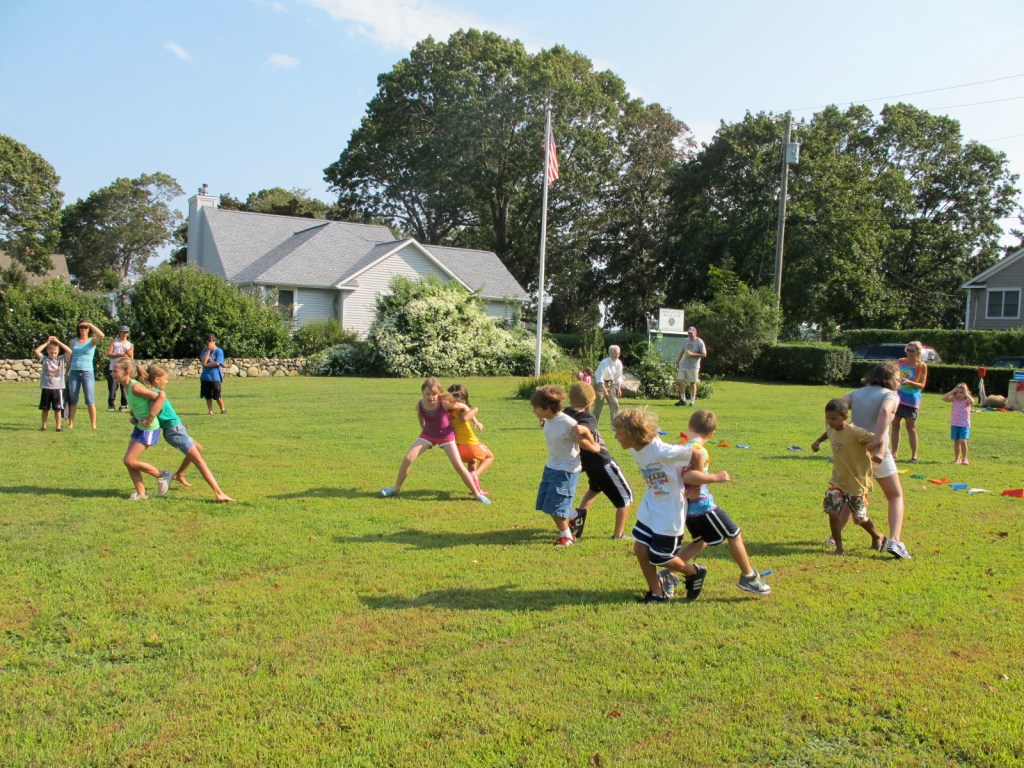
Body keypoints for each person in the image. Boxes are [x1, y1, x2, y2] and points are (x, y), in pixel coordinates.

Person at [666, 409, 771, 597]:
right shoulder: (699, 450)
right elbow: (690, 477)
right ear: (711, 434)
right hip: (702, 507)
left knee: (700, 541)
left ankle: (668, 574)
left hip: (685, 506)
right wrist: (716, 477)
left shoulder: (678, 444)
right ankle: (748, 576)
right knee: (734, 533)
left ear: (689, 425)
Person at [612, 408, 703, 603]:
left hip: (670, 510)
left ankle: (694, 572)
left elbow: (696, 452)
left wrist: (697, 485)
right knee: (640, 549)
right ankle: (657, 593)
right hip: (651, 506)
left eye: (619, 432)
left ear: (632, 433)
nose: (616, 437)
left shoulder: (661, 451)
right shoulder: (636, 448)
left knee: (660, 557)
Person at [838, 361, 912, 560]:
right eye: (898, 379)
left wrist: (840, 434)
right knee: (895, 495)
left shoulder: (857, 393)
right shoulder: (891, 396)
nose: (900, 383)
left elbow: (836, 405)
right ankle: (895, 540)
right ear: (891, 379)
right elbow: (885, 411)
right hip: (877, 452)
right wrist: (878, 439)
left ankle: (833, 537)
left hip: (855, 453)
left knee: (851, 494)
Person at [380, 378, 490, 503]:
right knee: (408, 458)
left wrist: (475, 420)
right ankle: (396, 488)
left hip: (446, 436)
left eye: (434, 394)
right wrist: (424, 429)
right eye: (428, 394)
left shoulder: (444, 403)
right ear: (422, 393)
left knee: (458, 466)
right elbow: (420, 417)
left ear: (438, 393)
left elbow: (464, 406)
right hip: (428, 435)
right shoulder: (420, 405)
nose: (431, 397)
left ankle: (477, 494)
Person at [142, 364, 234, 502]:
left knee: (198, 448)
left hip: (177, 430)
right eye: (165, 379)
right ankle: (219, 492)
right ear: (156, 379)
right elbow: (151, 413)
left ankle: (179, 474)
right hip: (175, 432)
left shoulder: (152, 393)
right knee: (200, 462)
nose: (167, 381)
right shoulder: (156, 395)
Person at [810, 399, 884, 555]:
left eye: (833, 418)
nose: (829, 422)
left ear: (845, 417)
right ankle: (839, 547)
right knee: (832, 511)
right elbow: (828, 433)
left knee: (859, 518)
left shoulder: (856, 432)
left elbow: (879, 439)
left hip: (857, 482)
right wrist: (817, 441)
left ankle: (876, 536)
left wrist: (879, 453)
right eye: (827, 418)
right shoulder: (832, 428)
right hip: (838, 480)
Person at [563, 381, 633, 540]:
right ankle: (619, 535)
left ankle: (578, 518)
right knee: (625, 497)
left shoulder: (565, 413)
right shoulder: (587, 417)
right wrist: (587, 436)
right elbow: (585, 429)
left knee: (595, 489)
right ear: (589, 402)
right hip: (602, 461)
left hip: (586, 464)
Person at [531, 385, 583, 547]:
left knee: (556, 506)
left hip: (566, 470)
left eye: (536, 408)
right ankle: (575, 514)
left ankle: (567, 536)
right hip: (551, 466)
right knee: (547, 502)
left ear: (547, 408)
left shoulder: (569, 423)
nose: (534, 411)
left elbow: (584, 441)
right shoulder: (549, 419)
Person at [112, 358, 171, 500]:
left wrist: (150, 417)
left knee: (130, 460)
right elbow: (140, 404)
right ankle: (141, 493)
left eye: (115, 370)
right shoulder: (126, 386)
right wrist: (135, 416)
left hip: (149, 428)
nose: (112, 373)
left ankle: (163, 475)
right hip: (140, 426)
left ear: (126, 372)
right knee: (128, 461)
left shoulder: (135, 387)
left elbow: (160, 396)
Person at [446, 383, 494, 488]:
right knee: (490, 457)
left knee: (472, 461)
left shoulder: (449, 412)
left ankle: (475, 489)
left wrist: (476, 422)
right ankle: (474, 475)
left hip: (458, 447)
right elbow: (465, 417)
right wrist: (476, 409)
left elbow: (467, 414)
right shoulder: (462, 410)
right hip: (470, 444)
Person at [891, 340, 928, 463]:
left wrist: (909, 383)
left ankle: (914, 456)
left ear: (918, 351)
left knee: (910, 427)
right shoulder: (901, 362)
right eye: (908, 350)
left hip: (911, 400)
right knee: (895, 424)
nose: (910, 353)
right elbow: (892, 375)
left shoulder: (921, 366)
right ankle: (894, 453)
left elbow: (921, 385)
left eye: (912, 350)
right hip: (897, 398)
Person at [67, 319, 105, 429]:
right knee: (73, 399)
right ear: (78, 329)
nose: (83, 329)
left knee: (90, 399)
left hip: (87, 372)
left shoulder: (92, 341)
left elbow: (102, 335)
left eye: (85, 327)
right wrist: (66, 373)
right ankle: (71, 423)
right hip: (74, 372)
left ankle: (93, 424)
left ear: (89, 329)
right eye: (81, 327)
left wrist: (90, 324)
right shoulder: (73, 341)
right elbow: (70, 357)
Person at [33, 336, 71, 432]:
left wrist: (58, 342)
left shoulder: (61, 359)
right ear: (47, 352)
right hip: (46, 387)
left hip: (57, 388)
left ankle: (58, 426)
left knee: (57, 409)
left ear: (58, 352)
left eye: (55, 352)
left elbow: (70, 351)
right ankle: (44, 426)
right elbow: (37, 351)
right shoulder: (45, 359)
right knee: (45, 408)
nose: (53, 354)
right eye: (51, 352)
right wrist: (47, 342)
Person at [942, 383, 976, 465]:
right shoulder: (954, 399)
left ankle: (965, 458)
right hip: (955, 424)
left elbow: (972, 401)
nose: (959, 395)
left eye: (961, 392)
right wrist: (953, 391)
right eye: (957, 392)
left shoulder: (966, 401)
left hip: (964, 425)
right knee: (956, 442)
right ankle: (957, 459)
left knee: (962, 441)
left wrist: (966, 394)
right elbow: (944, 398)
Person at [674, 326, 707, 407]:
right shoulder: (686, 340)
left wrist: (693, 354)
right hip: (683, 364)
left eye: (691, 333)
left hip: (693, 366)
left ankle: (692, 402)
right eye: (689, 333)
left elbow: (704, 354)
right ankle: (683, 400)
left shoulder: (699, 341)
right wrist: (678, 362)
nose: (690, 334)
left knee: (692, 383)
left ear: (695, 333)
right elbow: (682, 351)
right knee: (680, 381)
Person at [593, 345, 624, 426]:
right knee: (599, 405)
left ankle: (615, 425)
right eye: (615, 353)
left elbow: (618, 377)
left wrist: (619, 389)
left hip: (611, 384)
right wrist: (604, 390)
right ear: (610, 353)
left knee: (614, 403)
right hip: (600, 384)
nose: (617, 355)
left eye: (618, 353)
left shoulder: (619, 363)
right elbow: (599, 378)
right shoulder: (604, 362)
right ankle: (593, 424)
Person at [105, 325, 134, 412]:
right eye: (123, 332)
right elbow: (109, 353)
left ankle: (124, 405)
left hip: (124, 369)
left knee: (124, 387)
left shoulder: (130, 345)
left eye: (126, 332)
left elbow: (131, 358)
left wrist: (127, 354)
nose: (125, 334)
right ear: (120, 332)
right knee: (112, 387)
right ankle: (111, 404)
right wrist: (119, 355)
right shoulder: (114, 342)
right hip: (113, 368)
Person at [199, 333, 227, 415]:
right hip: (205, 377)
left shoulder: (219, 351)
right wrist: (208, 351)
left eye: (213, 340)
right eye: (209, 340)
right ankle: (210, 411)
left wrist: (206, 365)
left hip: (215, 376)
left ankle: (222, 409)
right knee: (207, 395)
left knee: (217, 394)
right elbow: (203, 362)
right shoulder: (204, 351)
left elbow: (218, 363)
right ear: (206, 341)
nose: (211, 342)